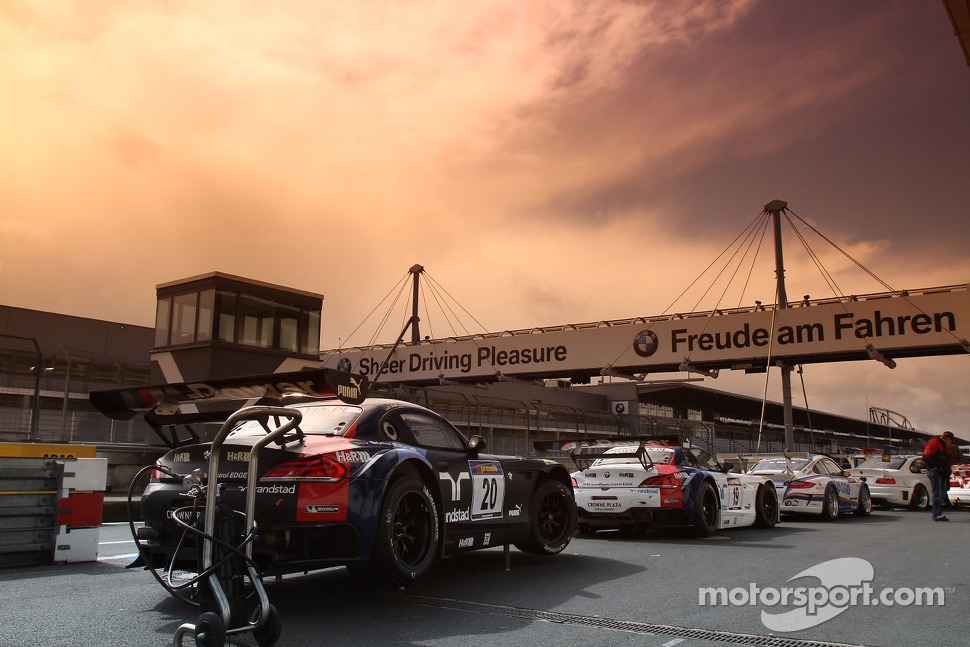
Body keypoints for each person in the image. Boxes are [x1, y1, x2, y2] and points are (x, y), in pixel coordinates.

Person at [923, 431, 955, 521]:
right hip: (936, 472)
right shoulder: (935, 442)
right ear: (948, 438)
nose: (950, 443)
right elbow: (926, 456)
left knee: (939, 494)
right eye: (950, 441)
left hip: (940, 472)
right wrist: (934, 467)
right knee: (937, 494)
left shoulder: (942, 444)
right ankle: (937, 514)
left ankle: (938, 513)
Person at [942, 432, 963, 508]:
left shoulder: (940, 446)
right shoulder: (954, 447)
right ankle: (947, 501)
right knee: (947, 486)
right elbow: (961, 457)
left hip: (940, 468)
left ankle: (943, 501)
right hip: (950, 468)